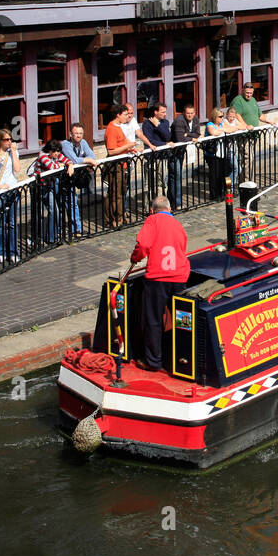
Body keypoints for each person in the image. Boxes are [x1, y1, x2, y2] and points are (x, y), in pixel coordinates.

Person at [130, 194, 190, 372]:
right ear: (170, 209)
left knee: (154, 320)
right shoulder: (178, 225)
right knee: (181, 320)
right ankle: (182, 360)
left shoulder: (152, 221)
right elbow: (182, 246)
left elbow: (143, 245)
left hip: (158, 278)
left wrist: (135, 258)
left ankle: (153, 361)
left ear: (151, 210)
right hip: (179, 276)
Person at [29, 139, 74, 244]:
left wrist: (70, 165)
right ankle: (45, 238)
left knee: (55, 211)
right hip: (40, 187)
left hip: (49, 186)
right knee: (51, 211)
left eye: (58, 151)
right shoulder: (42, 155)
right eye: (54, 151)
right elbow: (52, 167)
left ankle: (51, 237)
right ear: (49, 150)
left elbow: (68, 160)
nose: (57, 154)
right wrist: (63, 166)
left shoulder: (56, 155)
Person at [0, 128, 22, 262]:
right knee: (1, 223)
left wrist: (13, 151)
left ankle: (13, 252)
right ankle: (1, 252)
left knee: (12, 223)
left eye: (10, 139)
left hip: (12, 189)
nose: (9, 142)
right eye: (6, 140)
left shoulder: (13, 151)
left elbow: (17, 169)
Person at [105, 105, 142, 228]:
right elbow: (111, 151)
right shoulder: (112, 128)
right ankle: (114, 219)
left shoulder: (119, 127)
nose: (128, 117)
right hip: (116, 166)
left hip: (123, 163)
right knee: (116, 194)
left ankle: (120, 217)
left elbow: (123, 144)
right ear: (118, 115)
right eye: (125, 114)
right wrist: (127, 147)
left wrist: (131, 148)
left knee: (122, 192)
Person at [60, 122, 97, 237]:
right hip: (63, 178)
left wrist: (87, 159)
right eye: (76, 133)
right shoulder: (65, 144)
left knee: (72, 203)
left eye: (81, 133)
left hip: (74, 177)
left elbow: (93, 156)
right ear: (70, 134)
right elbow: (74, 160)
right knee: (65, 204)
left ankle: (77, 230)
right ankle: (65, 231)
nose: (79, 136)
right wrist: (87, 160)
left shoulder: (83, 142)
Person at [169, 104, 200, 208]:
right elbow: (180, 139)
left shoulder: (195, 119)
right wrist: (191, 138)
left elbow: (198, 134)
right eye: (188, 113)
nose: (190, 115)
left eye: (192, 113)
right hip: (174, 151)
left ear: (194, 113)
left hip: (182, 151)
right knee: (176, 175)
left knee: (176, 175)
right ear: (184, 113)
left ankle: (174, 201)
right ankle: (176, 203)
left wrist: (187, 134)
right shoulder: (179, 121)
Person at [142, 103, 173, 203]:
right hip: (151, 157)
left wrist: (158, 126)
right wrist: (165, 144)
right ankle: (148, 207)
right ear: (156, 112)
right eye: (162, 112)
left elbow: (168, 136)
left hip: (162, 157)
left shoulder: (165, 123)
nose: (165, 114)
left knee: (162, 182)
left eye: (165, 111)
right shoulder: (147, 124)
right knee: (149, 184)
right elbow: (149, 140)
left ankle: (160, 206)